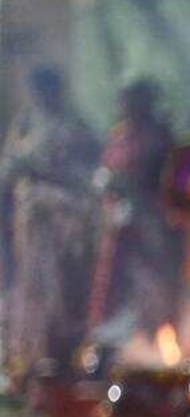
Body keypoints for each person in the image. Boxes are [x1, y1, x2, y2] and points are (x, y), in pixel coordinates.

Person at [1, 66, 101, 381]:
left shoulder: (73, 126)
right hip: (30, 223)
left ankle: (61, 360)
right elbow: (9, 169)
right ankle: (27, 364)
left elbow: (88, 175)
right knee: (31, 290)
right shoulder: (26, 124)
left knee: (64, 292)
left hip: (65, 223)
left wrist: (48, 176)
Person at [91, 78, 179, 338]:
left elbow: (164, 175)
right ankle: (117, 338)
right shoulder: (119, 134)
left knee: (155, 282)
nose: (126, 106)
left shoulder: (159, 135)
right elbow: (109, 167)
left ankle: (160, 334)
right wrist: (107, 180)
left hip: (153, 221)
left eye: (132, 100)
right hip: (120, 222)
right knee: (116, 281)